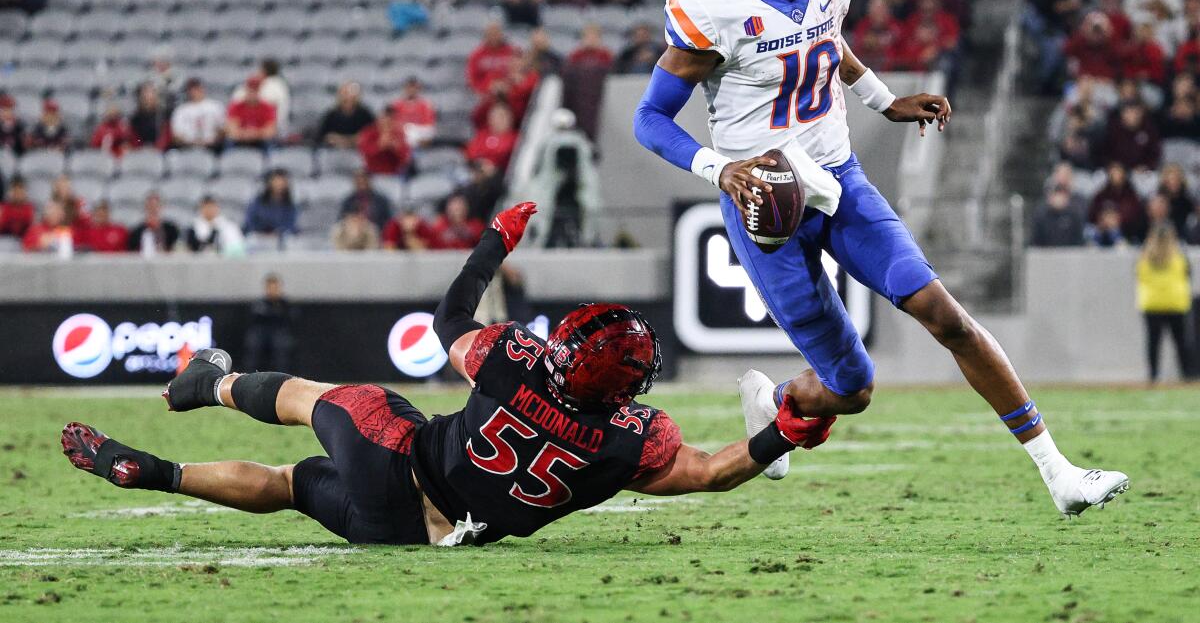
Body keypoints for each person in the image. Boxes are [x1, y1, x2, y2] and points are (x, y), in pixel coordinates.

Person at [632, 0, 1128, 515]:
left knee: (945, 316)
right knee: (853, 386)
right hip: (765, 205)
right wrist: (720, 167)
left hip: (839, 180)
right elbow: (648, 118)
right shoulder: (709, 8)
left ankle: (1060, 474)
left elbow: (825, 41)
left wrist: (882, 99)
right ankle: (780, 405)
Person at [63, 202, 835, 546]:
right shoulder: (630, 439)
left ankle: (209, 383)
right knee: (288, 486)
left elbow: (448, 322)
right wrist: (781, 433)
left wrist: (494, 243)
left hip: (397, 463)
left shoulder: (520, 362)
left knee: (322, 400)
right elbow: (711, 472)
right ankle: (160, 472)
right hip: (412, 533)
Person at [1137, 223, 1196, 381]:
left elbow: (1139, 276)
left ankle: (1153, 375)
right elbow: (1188, 274)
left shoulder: (1145, 256)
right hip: (1175, 302)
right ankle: (1187, 375)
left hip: (1152, 303)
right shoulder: (1178, 255)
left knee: (1154, 343)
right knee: (1181, 342)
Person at [241, 273, 298, 372]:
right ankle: (250, 376)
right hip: (261, 332)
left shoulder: (286, 305)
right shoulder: (258, 304)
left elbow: (291, 320)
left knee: (281, 344)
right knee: (253, 342)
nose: (273, 290)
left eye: (275, 287)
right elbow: (253, 319)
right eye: (270, 287)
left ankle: (283, 377)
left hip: (280, 332)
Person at [317, 80, 374, 148]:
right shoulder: (331, 115)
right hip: (334, 152)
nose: (348, 98)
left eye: (351, 95)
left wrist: (348, 140)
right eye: (345, 94)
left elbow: (371, 134)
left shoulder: (365, 114)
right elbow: (323, 136)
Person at [171, 78, 224, 150]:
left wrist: (213, 140)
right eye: (192, 89)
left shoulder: (215, 106)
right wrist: (192, 142)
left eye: (197, 88)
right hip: (187, 147)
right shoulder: (181, 110)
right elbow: (177, 136)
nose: (195, 92)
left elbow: (222, 129)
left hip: (212, 147)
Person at [225, 77, 278, 149]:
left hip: (260, 140)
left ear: (259, 91)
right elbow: (232, 131)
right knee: (229, 142)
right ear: (246, 90)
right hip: (240, 139)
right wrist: (245, 134)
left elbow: (270, 131)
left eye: (255, 90)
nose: (253, 93)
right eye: (250, 89)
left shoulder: (268, 107)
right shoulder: (236, 106)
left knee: (270, 143)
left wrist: (254, 134)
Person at [244, 169, 299, 239]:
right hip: (259, 237)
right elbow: (250, 222)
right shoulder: (257, 203)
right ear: (269, 183)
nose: (279, 185)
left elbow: (290, 225)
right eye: (276, 181)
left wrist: (278, 233)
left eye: (282, 182)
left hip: (280, 238)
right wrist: (261, 233)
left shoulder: (290, 206)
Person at [389, 77, 436, 150]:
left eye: (414, 88)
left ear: (418, 89)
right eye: (409, 87)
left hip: (419, 136)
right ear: (405, 88)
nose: (411, 90)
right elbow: (391, 123)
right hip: (401, 135)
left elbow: (429, 128)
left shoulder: (425, 105)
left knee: (412, 130)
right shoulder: (396, 105)